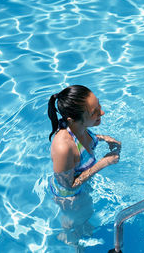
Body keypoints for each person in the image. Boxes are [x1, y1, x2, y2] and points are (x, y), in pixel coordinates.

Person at [47, 85, 121, 246]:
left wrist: (103, 138)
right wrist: (103, 163)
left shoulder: (80, 127)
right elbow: (69, 186)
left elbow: (85, 139)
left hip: (81, 187)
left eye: (99, 106)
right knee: (73, 222)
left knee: (86, 215)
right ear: (72, 120)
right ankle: (69, 238)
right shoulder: (63, 147)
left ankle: (80, 226)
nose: (102, 113)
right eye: (95, 112)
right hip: (69, 198)